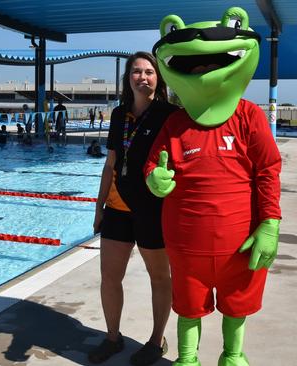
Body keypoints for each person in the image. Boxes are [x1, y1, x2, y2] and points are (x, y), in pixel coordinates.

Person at [145, 8, 281, 366]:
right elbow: (153, 163)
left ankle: (232, 355)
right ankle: (188, 357)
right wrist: (154, 179)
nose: (204, 72)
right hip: (187, 243)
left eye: (211, 66)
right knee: (189, 305)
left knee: (238, 304)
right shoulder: (175, 123)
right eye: (196, 68)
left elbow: (268, 169)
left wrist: (270, 222)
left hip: (240, 240)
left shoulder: (249, 116)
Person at [89, 51, 178, 366]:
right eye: (137, 72)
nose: (143, 77)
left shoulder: (171, 115)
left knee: (159, 277)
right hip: (117, 206)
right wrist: (98, 207)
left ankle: (156, 341)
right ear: (128, 79)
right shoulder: (118, 115)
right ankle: (113, 337)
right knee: (109, 276)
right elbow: (111, 163)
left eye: (149, 72)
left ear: (158, 78)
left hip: (152, 210)